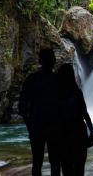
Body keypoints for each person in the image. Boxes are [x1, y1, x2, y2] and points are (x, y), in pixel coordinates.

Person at [19, 48, 61, 176]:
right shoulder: (58, 80)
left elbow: (22, 107)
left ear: (39, 61)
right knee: (55, 162)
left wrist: (30, 125)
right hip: (54, 127)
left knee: (37, 162)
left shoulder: (32, 80)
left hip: (38, 126)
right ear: (54, 60)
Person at [57, 63, 93, 176]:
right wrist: (92, 132)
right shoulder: (76, 91)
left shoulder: (56, 93)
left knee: (66, 165)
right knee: (79, 166)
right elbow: (85, 113)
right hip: (78, 132)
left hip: (63, 133)